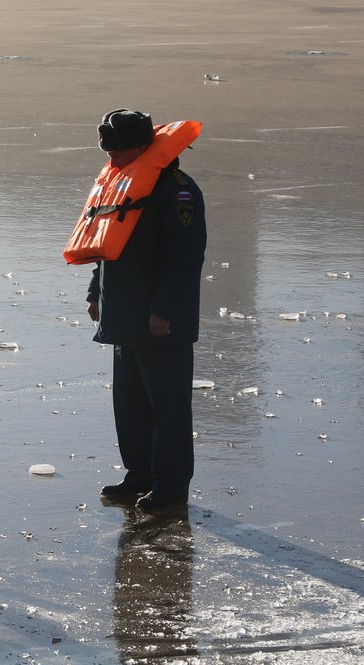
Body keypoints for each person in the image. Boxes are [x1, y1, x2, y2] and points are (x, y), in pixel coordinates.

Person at [85, 109, 207, 512]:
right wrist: (95, 291)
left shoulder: (177, 191)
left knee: (167, 408)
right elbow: (107, 245)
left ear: (141, 147)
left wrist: (165, 310)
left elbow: (184, 259)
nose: (111, 157)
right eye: (109, 150)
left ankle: (170, 487)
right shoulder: (123, 183)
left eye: (118, 150)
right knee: (131, 406)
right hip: (124, 313)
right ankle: (139, 476)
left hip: (160, 323)